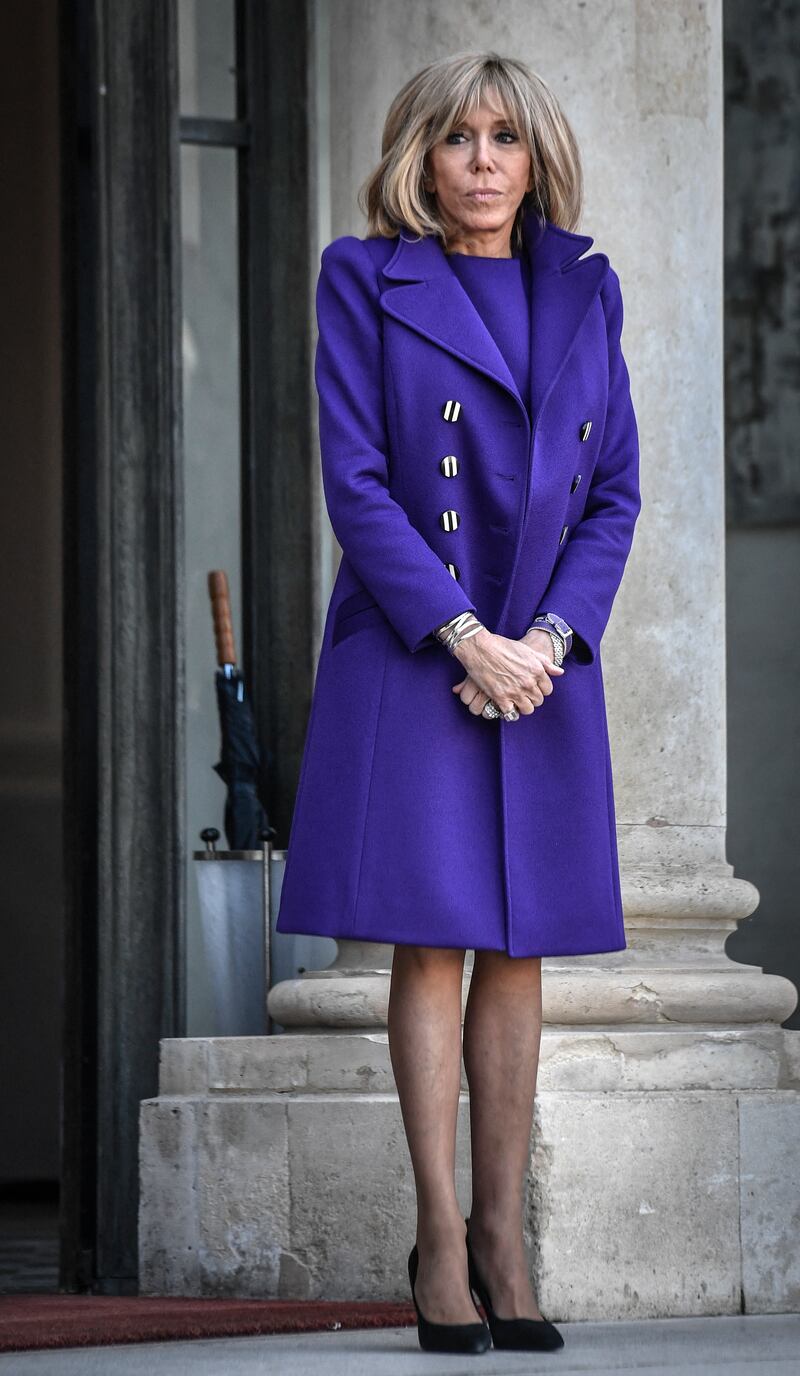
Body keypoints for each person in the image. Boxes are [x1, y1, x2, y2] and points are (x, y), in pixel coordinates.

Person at [275, 50, 642, 1356]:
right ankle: (439, 1238)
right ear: (416, 158)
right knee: (431, 943)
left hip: (541, 662)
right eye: (456, 138)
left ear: (533, 158)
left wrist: (547, 638)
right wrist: (464, 635)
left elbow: (615, 494)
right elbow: (359, 481)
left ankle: (506, 1238)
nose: (482, 161)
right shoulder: (362, 279)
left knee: (520, 945)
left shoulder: (584, 290)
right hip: (416, 642)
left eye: (504, 137)